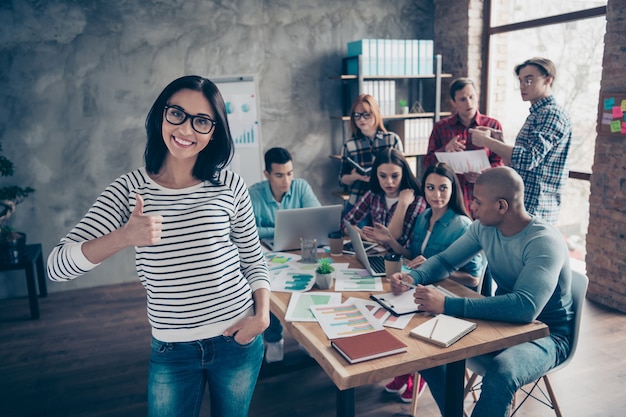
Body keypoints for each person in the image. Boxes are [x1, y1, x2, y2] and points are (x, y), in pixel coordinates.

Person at [47, 75, 271, 417]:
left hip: (237, 339)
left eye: (201, 121)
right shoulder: (129, 190)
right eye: (176, 113)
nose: (186, 129)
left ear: (214, 132)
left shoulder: (229, 183)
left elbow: (253, 258)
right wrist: (123, 236)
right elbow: (57, 267)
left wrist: (262, 317)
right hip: (172, 348)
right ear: (160, 116)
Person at [390, 166, 574, 417]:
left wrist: (447, 305)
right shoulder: (483, 228)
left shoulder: (543, 241)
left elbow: (525, 308)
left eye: (477, 201)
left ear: (501, 206)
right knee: (425, 352)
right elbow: (445, 261)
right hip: (500, 323)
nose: (471, 206)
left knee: (503, 370)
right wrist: (413, 277)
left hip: (548, 334)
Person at [367, 162, 485, 403]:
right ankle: (405, 369)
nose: (436, 195)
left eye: (443, 188)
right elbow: (411, 254)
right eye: (430, 188)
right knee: (382, 308)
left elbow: (473, 278)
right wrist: (390, 240)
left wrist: (436, 268)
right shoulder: (424, 216)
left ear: (453, 190)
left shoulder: (462, 225)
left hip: (450, 297)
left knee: (400, 318)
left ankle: (416, 373)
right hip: (421, 289)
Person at [470, 57, 572, 224]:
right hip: (525, 205)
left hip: (536, 208)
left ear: (548, 80)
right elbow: (519, 162)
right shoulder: (538, 113)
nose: (523, 86)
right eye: (521, 80)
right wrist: (499, 141)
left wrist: (487, 142)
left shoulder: (551, 113)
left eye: (529, 80)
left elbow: (528, 159)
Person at [248, 146, 321, 363]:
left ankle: (305, 337)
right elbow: (247, 230)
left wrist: (272, 229)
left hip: (299, 252)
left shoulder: (301, 187)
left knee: (310, 286)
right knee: (269, 291)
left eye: (290, 173)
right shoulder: (254, 193)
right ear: (267, 174)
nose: (286, 180)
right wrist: (284, 228)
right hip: (267, 255)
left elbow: (316, 219)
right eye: (279, 175)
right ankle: (274, 339)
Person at [424, 77, 503, 215]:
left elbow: (500, 163)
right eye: (462, 99)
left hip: (484, 196)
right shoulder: (441, 127)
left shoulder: (492, 126)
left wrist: (483, 174)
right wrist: (445, 150)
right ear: (453, 103)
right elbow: (427, 164)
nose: (469, 103)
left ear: (477, 96)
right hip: (453, 198)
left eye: (471, 97)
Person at [344, 148, 426, 250]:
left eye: (395, 176)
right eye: (382, 176)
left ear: (403, 174)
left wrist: (402, 205)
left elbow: (390, 236)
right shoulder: (374, 194)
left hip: (400, 259)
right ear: (376, 174)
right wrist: (361, 234)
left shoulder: (416, 200)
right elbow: (346, 223)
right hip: (377, 253)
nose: (389, 182)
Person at [339, 94, 404, 220]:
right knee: (354, 236)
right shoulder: (349, 145)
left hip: (386, 201)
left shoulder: (392, 140)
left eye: (366, 114)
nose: (361, 120)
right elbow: (342, 179)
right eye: (357, 116)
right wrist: (355, 177)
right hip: (358, 200)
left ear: (375, 113)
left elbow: (402, 172)